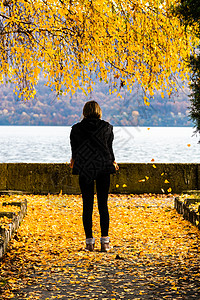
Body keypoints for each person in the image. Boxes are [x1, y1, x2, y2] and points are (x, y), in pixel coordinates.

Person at [70, 100, 119, 252]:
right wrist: (113, 161)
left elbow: (75, 149)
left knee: (87, 205)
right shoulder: (107, 127)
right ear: (99, 111)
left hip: (85, 169)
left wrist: (74, 161)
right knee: (103, 205)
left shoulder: (76, 129)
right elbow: (109, 148)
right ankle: (105, 243)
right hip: (103, 167)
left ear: (84, 111)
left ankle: (89, 243)